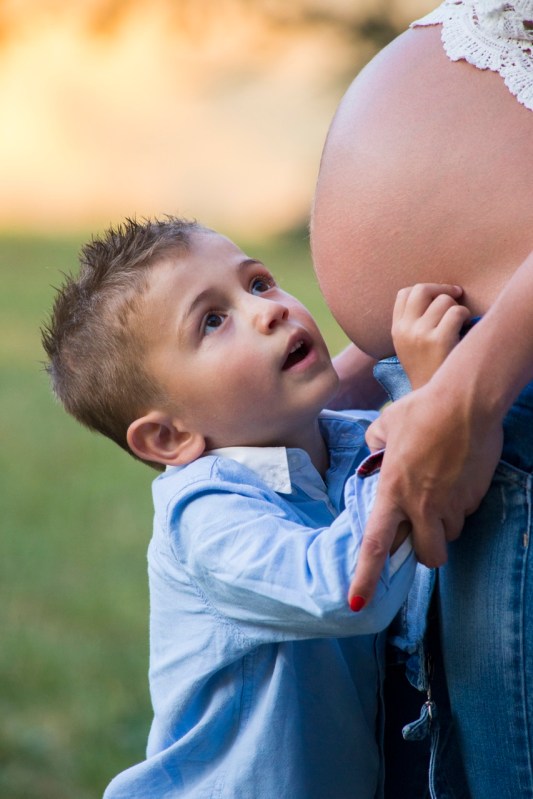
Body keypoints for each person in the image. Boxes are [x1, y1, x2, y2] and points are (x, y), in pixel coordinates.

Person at [41, 216, 467, 798]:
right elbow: (346, 590)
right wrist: (430, 400)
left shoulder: (347, 442)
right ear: (168, 437)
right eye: (212, 321)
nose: (269, 311)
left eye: (259, 283)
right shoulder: (205, 516)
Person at [311, 1, 533, 796]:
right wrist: (347, 379)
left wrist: (467, 393)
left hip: (497, 403)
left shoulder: (473, 396)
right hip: (456, 392)